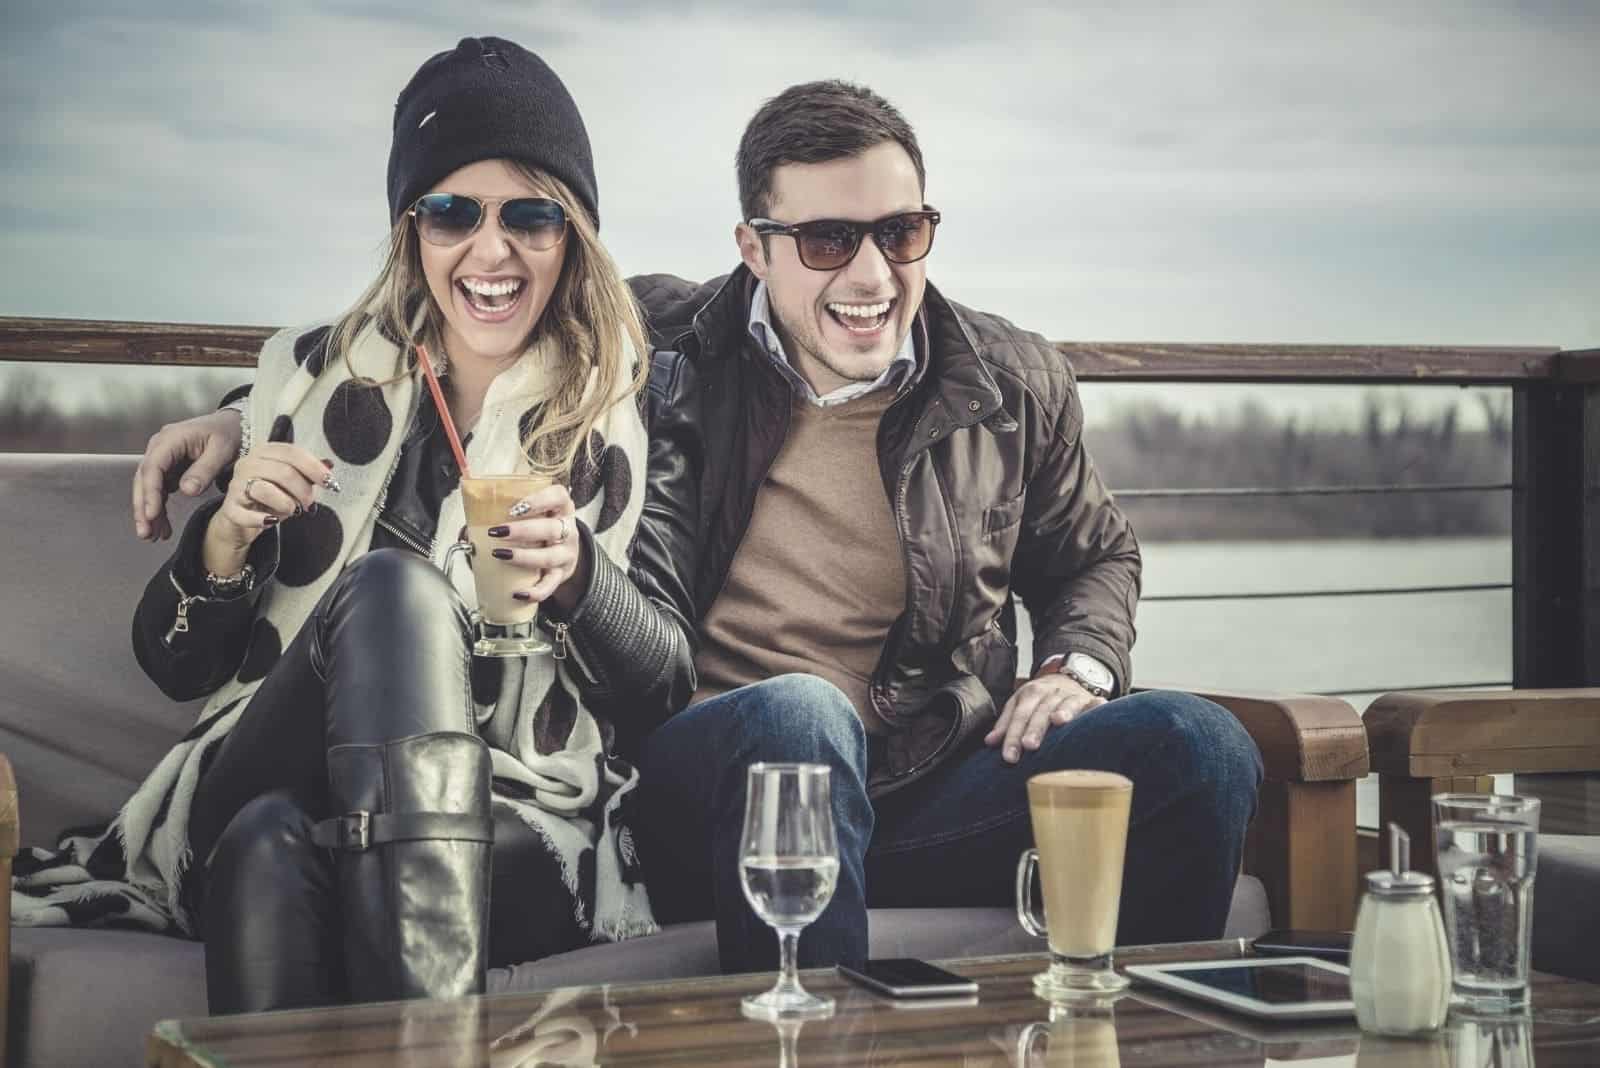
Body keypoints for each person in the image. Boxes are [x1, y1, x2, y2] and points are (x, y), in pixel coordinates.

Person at [128, 80, 1263, 975]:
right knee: (801, 719)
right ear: (752, 246)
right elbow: (454, 332)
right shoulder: (664, 339)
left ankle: (1131, 1032)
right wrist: (238, 418)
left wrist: (1079, 660)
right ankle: (813, 1037)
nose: (870, 275)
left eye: (900, 232)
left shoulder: (1010, 380)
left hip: (922, 769)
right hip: (698, 773)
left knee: (1198, 748)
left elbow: (1097, 552)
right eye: (825, 241)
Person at [14, 37, 687, 1012]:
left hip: (514, 807)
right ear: (412, 230)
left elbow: (663, 684)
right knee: (388, 590)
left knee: (266, 856)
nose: (490, 251)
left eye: (531, 216)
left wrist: (583, 575)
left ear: (572, 235)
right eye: (452, 212)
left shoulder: (630, 407)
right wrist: (227, 538)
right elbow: (175, 668)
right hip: (260, 764)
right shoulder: (314, 391)